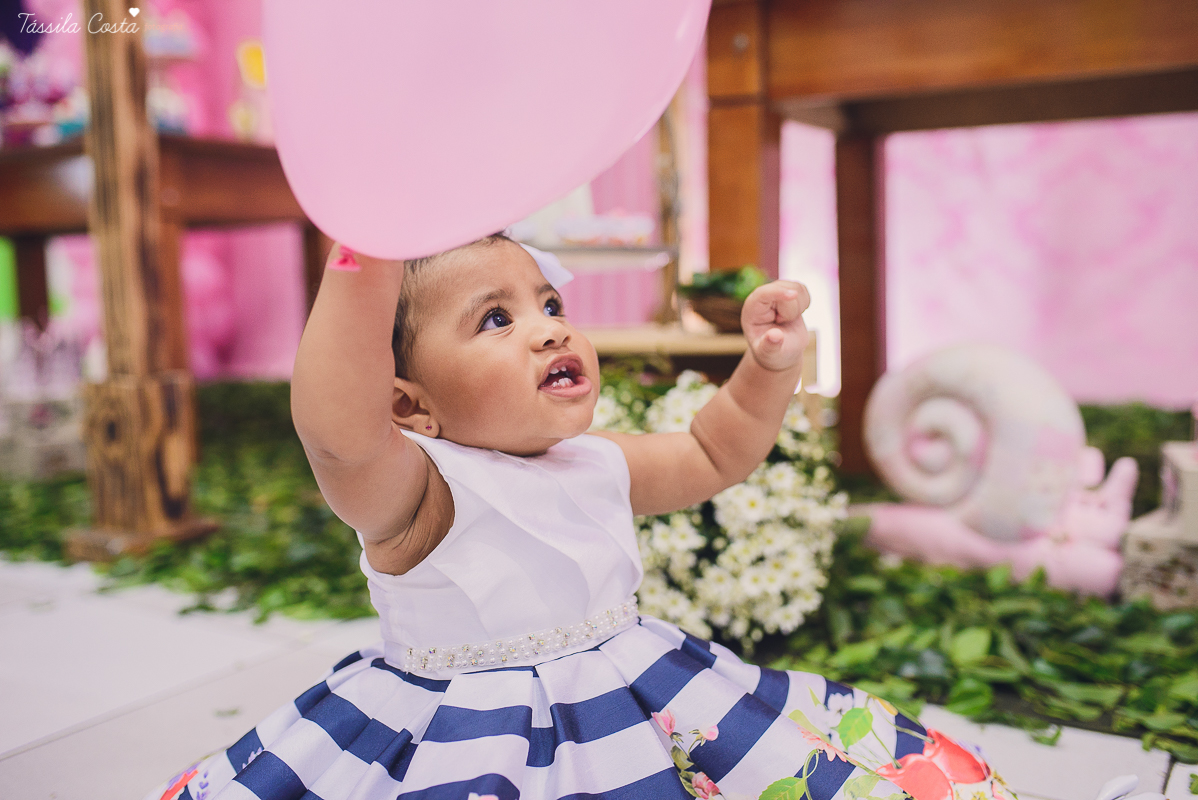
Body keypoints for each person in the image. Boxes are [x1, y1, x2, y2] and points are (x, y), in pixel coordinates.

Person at [147, 234, 1015, 800]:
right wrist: (365, 255)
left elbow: (715, 453)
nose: (546, 331)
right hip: (470, 741)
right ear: (410, 404)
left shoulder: (594, 459)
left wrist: (765, 370)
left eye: (549, 305)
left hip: (640, 692)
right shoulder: (416, 488)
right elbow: (334, 431)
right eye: (496, 318)